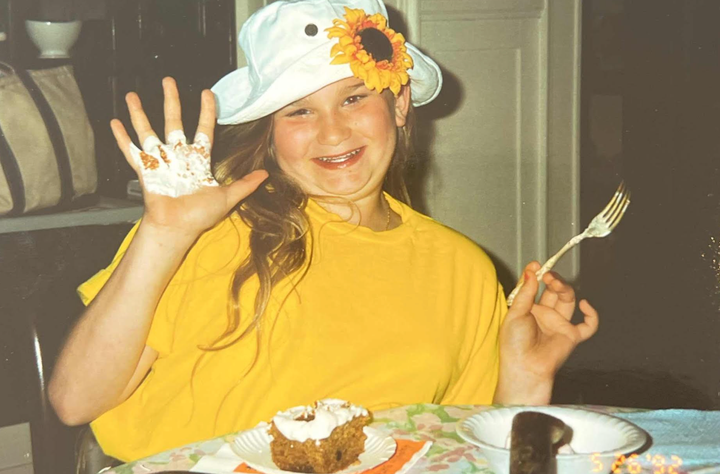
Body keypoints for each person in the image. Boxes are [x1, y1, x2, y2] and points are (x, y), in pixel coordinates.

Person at [48, 0, 599, 463]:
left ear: (400, 102)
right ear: (271, 132)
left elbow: (458, 449)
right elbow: (75, 401)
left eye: (355, 97)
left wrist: (526, 380)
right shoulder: (208, 232)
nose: (332, 132)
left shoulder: (463, 268)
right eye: (298, 113)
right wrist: (163, 236)